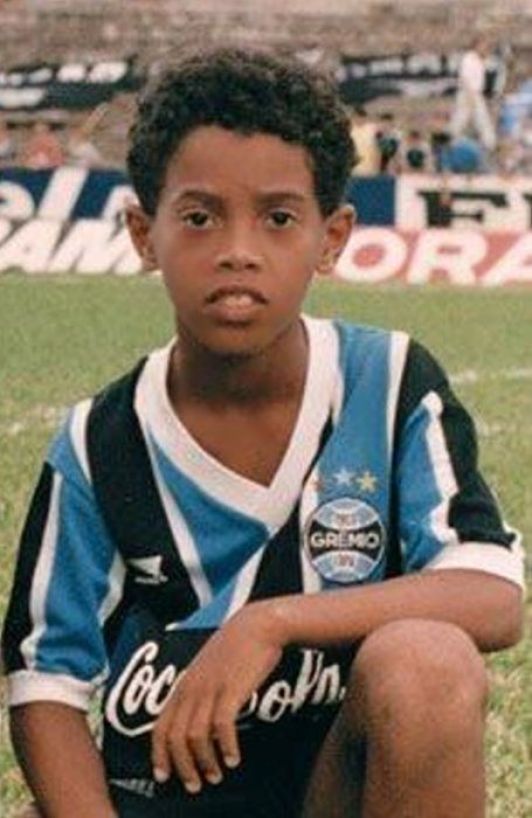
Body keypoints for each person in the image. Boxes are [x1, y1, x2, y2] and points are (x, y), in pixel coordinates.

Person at [2, 48, 524, 818]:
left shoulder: (391, 386)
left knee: (426, 658)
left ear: (332, 235)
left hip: (334, 794)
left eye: (278, 218)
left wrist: (268, 625)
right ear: (145, 234)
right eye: (200, 216)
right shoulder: (99, 444)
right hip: (163, 799)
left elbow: (492, 596)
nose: (238, 249)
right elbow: (44, 684)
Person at [450, 36, 497, 153]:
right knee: (460, 120)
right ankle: (448, 141)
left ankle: (490, 144)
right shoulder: (469, 58)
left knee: (482, 120)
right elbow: (464, 78)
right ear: (477, 45)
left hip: (475, 94)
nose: (486, 48)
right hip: (468, 93)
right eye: (484, 45)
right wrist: (470, 96)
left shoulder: (479, 59)